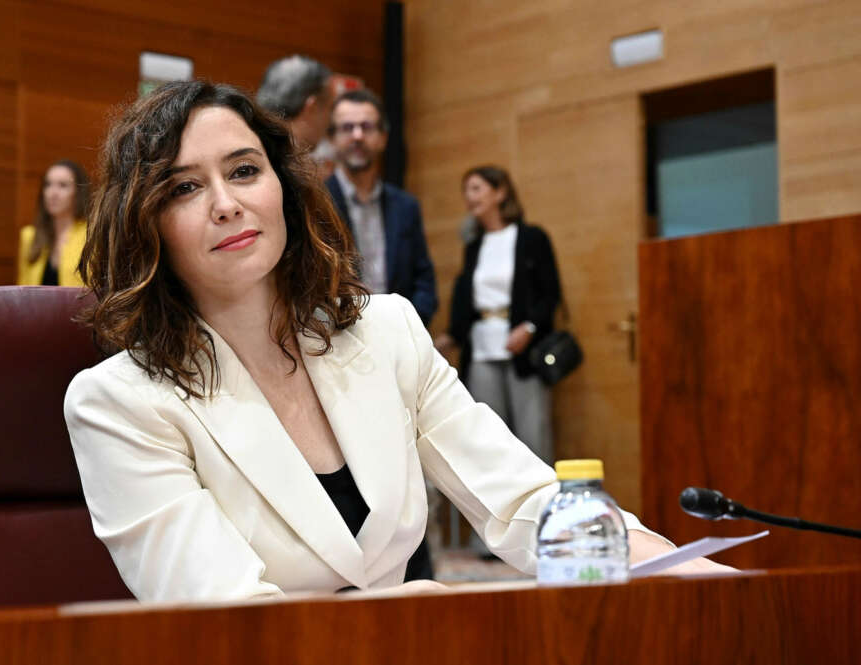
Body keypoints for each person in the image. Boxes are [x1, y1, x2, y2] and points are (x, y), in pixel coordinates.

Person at [63, 80, 727, 603]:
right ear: (145, 223)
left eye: (244, 171)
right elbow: (229, 616)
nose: (227, 203)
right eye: (184, 186)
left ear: (283, 190)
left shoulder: (387, 331)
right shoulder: (118, 402)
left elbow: (521, 499)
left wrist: (678, 566)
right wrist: (403, 610)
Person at [435, 166, 560, 465]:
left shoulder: (531, 238)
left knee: (533, 441)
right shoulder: (474, 247)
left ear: (500, 192)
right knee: (490, 443)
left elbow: (550, 294)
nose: (469, 197)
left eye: (476, 188)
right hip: (482, 349)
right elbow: (468, 300)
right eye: (466, 191)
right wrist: (452, 335)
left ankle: (541, 510)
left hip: (523, 351)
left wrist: (528, 328)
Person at [325, 89, 438, 325]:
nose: (357, 135)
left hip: (401, 334)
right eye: (347, 128)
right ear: (332, 139)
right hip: (339, 335)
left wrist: (410, 323)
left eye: (366, 127)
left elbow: (424, 279)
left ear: (383, 138)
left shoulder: (406, 206)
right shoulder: (316, 202)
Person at [17, 159, 89, 286]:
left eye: (63, 185)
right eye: (48, 184)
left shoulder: (90, 236)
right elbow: (22, 290)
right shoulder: (29, 236)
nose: (53, 193)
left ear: (78, 192)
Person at [256, 54, 334, 152]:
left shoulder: (251, 142)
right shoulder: (279, 160)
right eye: (330, 108)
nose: (331, 120)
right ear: (312, 107)